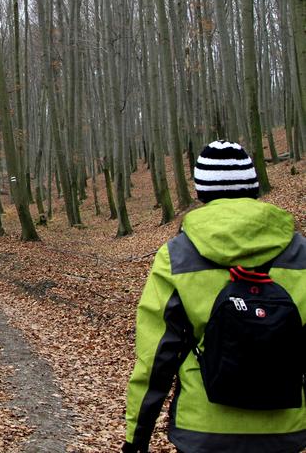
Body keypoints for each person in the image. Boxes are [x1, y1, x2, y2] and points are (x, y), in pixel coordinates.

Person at [123, 140, 306, 453]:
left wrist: (136, 437)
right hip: (287, 428)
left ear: (200, 192)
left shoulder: (178, 255)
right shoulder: (300, 252)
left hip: (202, 428)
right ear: (254, 188)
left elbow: (156, 357)